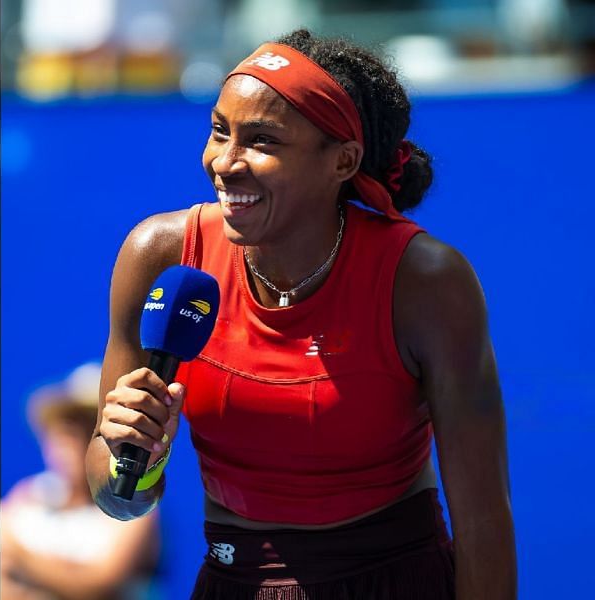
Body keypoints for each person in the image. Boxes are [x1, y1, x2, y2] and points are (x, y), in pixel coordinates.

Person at [86, 29, 515, 599]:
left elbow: (484, 520)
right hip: (232, 580)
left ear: (342, 161)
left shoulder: (427, 282)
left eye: (262, 141)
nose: (226, 163)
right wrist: (134, 459)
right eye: (220, 131)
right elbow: (113, 492)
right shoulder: (159, 255)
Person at [2, 363, 159, 599]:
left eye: (87, 431)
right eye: (64, 432)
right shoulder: (26, 495)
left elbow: (101, 584)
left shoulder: (135, 510)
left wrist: (22, 558)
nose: (71, 446)